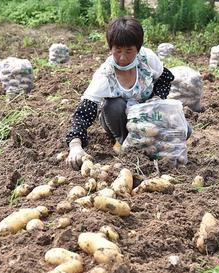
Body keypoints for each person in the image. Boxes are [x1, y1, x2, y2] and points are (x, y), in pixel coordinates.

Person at [64, 17, 175, 169]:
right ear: (110, 48)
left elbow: (165, 79)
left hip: (148, 117)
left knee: (184, 130)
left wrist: (156, 99)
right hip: (119, 121)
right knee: (113, 105)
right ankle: (123, 142)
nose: (122, 57)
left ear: (138, 48)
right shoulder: (105, 75)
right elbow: (84, 112)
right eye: (117, 50)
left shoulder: (147, 59)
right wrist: (75, 145)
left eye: (129, 51)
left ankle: (148, 143)